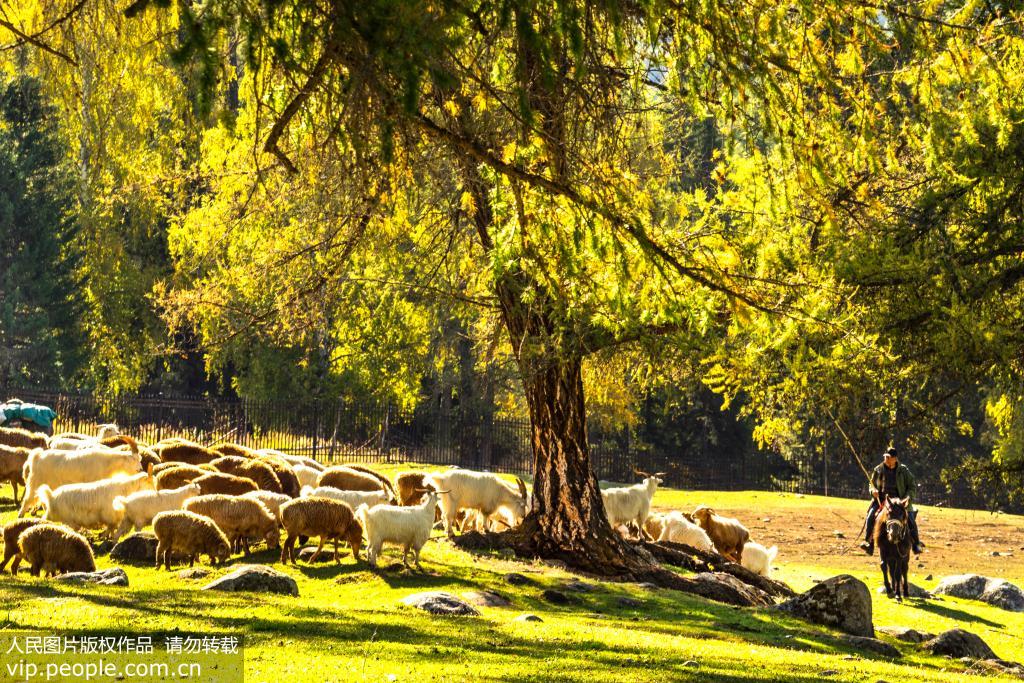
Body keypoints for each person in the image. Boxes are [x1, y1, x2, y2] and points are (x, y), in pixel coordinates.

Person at [860, 446, 922, 555]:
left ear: (895, 459)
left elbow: (912, 486)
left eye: (889, 457)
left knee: (911, 519)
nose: (886, 459)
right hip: (882, 501)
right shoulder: (878, 469)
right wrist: (873, 491)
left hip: (899, 502)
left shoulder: (904, 470)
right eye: (885, 457)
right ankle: (868, 543)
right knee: (870, 516)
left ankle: (916, 544)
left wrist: (908, 497)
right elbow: (872, 484)